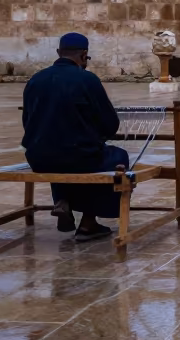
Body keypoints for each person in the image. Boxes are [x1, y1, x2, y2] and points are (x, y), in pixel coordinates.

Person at [21, 32, 128, 242]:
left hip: (38, 158)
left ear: (58, 53)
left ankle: (63, 201)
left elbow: (27, 121)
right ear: (84, 55)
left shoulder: (36, 79)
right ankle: (88, 222)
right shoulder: (87, 79)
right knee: (115, 158)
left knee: (57, 152)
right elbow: (110, 123)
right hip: (78, 155)